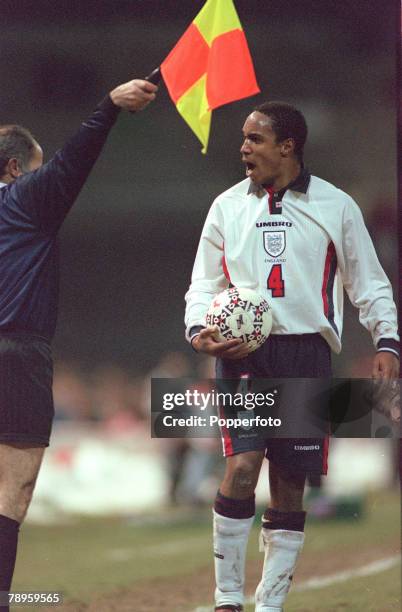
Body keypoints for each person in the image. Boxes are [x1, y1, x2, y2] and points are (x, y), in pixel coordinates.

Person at [184, 101, 399, 612]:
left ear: (288, 146)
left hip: (307, 355)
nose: (243, 148)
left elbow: (367, 283)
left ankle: (270, 603)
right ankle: (227, 598)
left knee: (288, 483)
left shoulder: (336, 206)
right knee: (242, 468)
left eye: (254, 139)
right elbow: (202, 284)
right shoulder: (227, 206)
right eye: (243, 137)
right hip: (244, 357)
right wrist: (199, 331)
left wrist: (386, 340)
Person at [0, 77, 157, 610]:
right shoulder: (25, 198)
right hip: (18, 353)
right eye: (36, 169)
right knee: (14, 487)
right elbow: (74, 161)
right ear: (17, 169)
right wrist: (108, 108)